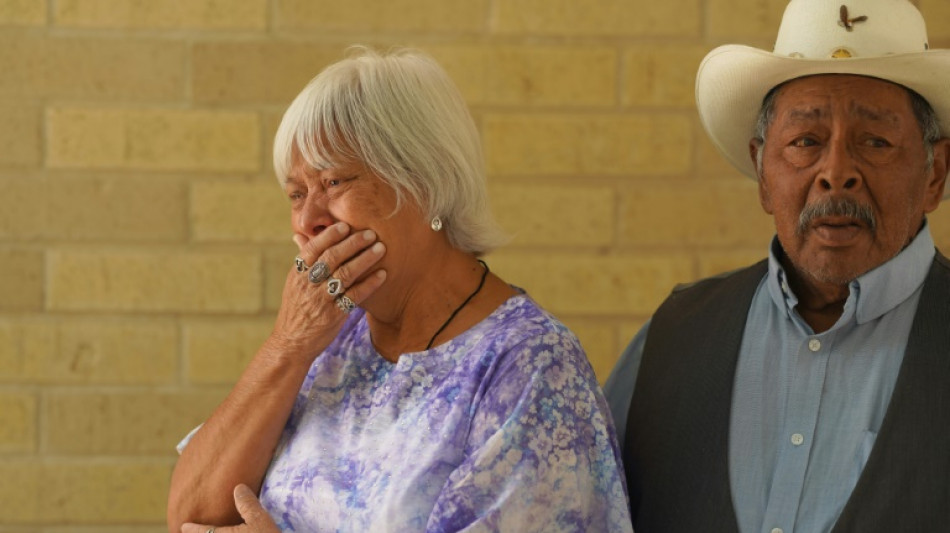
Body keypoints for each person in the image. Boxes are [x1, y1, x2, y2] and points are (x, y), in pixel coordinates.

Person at [167, 47, 632, 533]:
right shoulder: (327, 335)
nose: (308, 220)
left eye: (334, 182)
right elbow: (190, 516)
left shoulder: (530, 363)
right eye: (296, 194)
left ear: (426, 183)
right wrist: (288, 345)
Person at [604, 0, 950, 531]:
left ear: (935, 175)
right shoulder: (674, 336)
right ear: (763, 173)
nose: (836, 172)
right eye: (805, 141)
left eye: (875, 141)